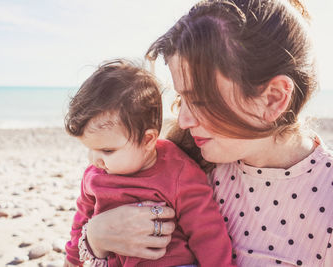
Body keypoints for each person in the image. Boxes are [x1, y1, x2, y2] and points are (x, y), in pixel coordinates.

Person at [75, 0, 333, 266]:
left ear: (273, 98)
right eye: (181, 98)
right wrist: (95, 239)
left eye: (199, 100)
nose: (183, 120)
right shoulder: (182, 162)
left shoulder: (327, 202)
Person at [63, 60, 235, 267]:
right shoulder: (95, 174)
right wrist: (72, 261)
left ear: (148, 140)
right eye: (89, 148)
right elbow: (81, 224)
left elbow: (207, 233)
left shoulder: (178, 172)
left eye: (107, 150)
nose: (94, 160)